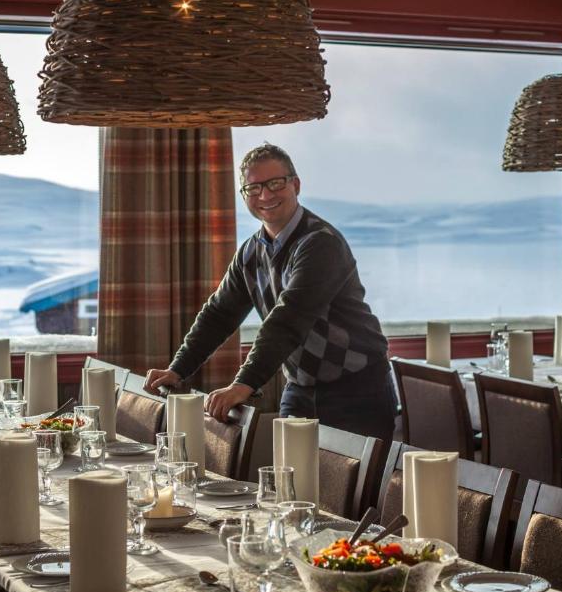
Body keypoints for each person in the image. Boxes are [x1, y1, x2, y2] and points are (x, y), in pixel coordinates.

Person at [145, 143, 395, 439]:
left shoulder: (320, 243)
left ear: (296, 185)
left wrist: (243, 384)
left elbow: (288, 320)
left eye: (275, 183)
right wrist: (177, 370)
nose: (265, 195)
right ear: (244, 196)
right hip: (300, 389)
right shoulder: (250, 252)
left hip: (357, 391)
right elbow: (219, 314)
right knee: (289, 483)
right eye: (254, 188)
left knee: (356, 487)